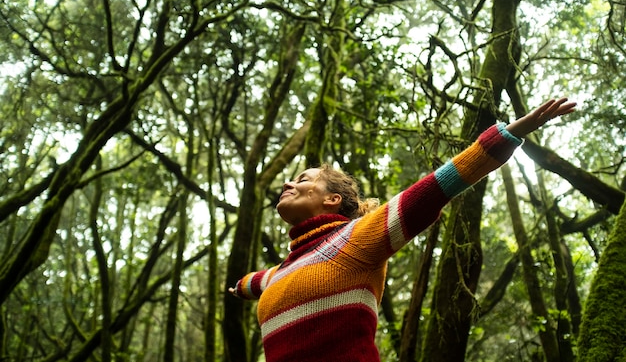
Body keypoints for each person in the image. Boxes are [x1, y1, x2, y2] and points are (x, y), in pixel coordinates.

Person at [229, 98, 577, 362]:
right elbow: (256, 281)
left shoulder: (355, 241)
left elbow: (435, 188)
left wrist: (508, 134)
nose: (289, 183)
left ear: (333, 199)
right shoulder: (281, 272)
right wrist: (240, 287)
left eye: (303, 179)